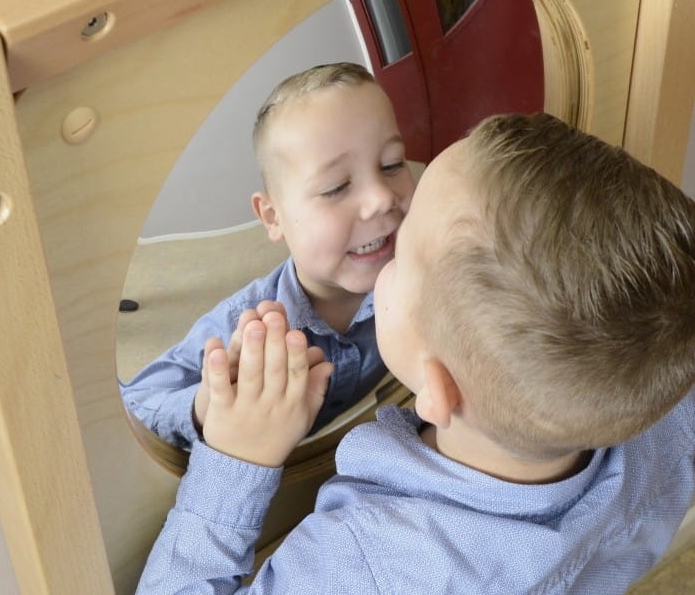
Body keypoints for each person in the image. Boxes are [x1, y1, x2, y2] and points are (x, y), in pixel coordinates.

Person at [136, 112, 695, 594]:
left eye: (401, 253)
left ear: (439, 389)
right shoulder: (668, 409)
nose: (385, 206)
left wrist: (237, 464)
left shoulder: (364, 564)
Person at [121, 62, 416, 448]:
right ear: (274, 218)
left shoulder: (426, 267)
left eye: (392, 164)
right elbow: (136, 405)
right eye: (336, 187)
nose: (381, 198)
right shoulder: (246, 325)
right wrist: (204, 405)